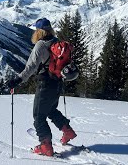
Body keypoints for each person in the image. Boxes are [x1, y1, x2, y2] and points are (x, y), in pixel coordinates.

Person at [7, 18, 77, 157]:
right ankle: (67, 130)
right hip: (57, 82)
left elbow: (31, 67)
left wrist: (17, 80)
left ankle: (46, 146)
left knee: (38, 116)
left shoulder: (41, 45)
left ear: (39, 31)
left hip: (45, 84)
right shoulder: (57, 42)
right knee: (51, 110)